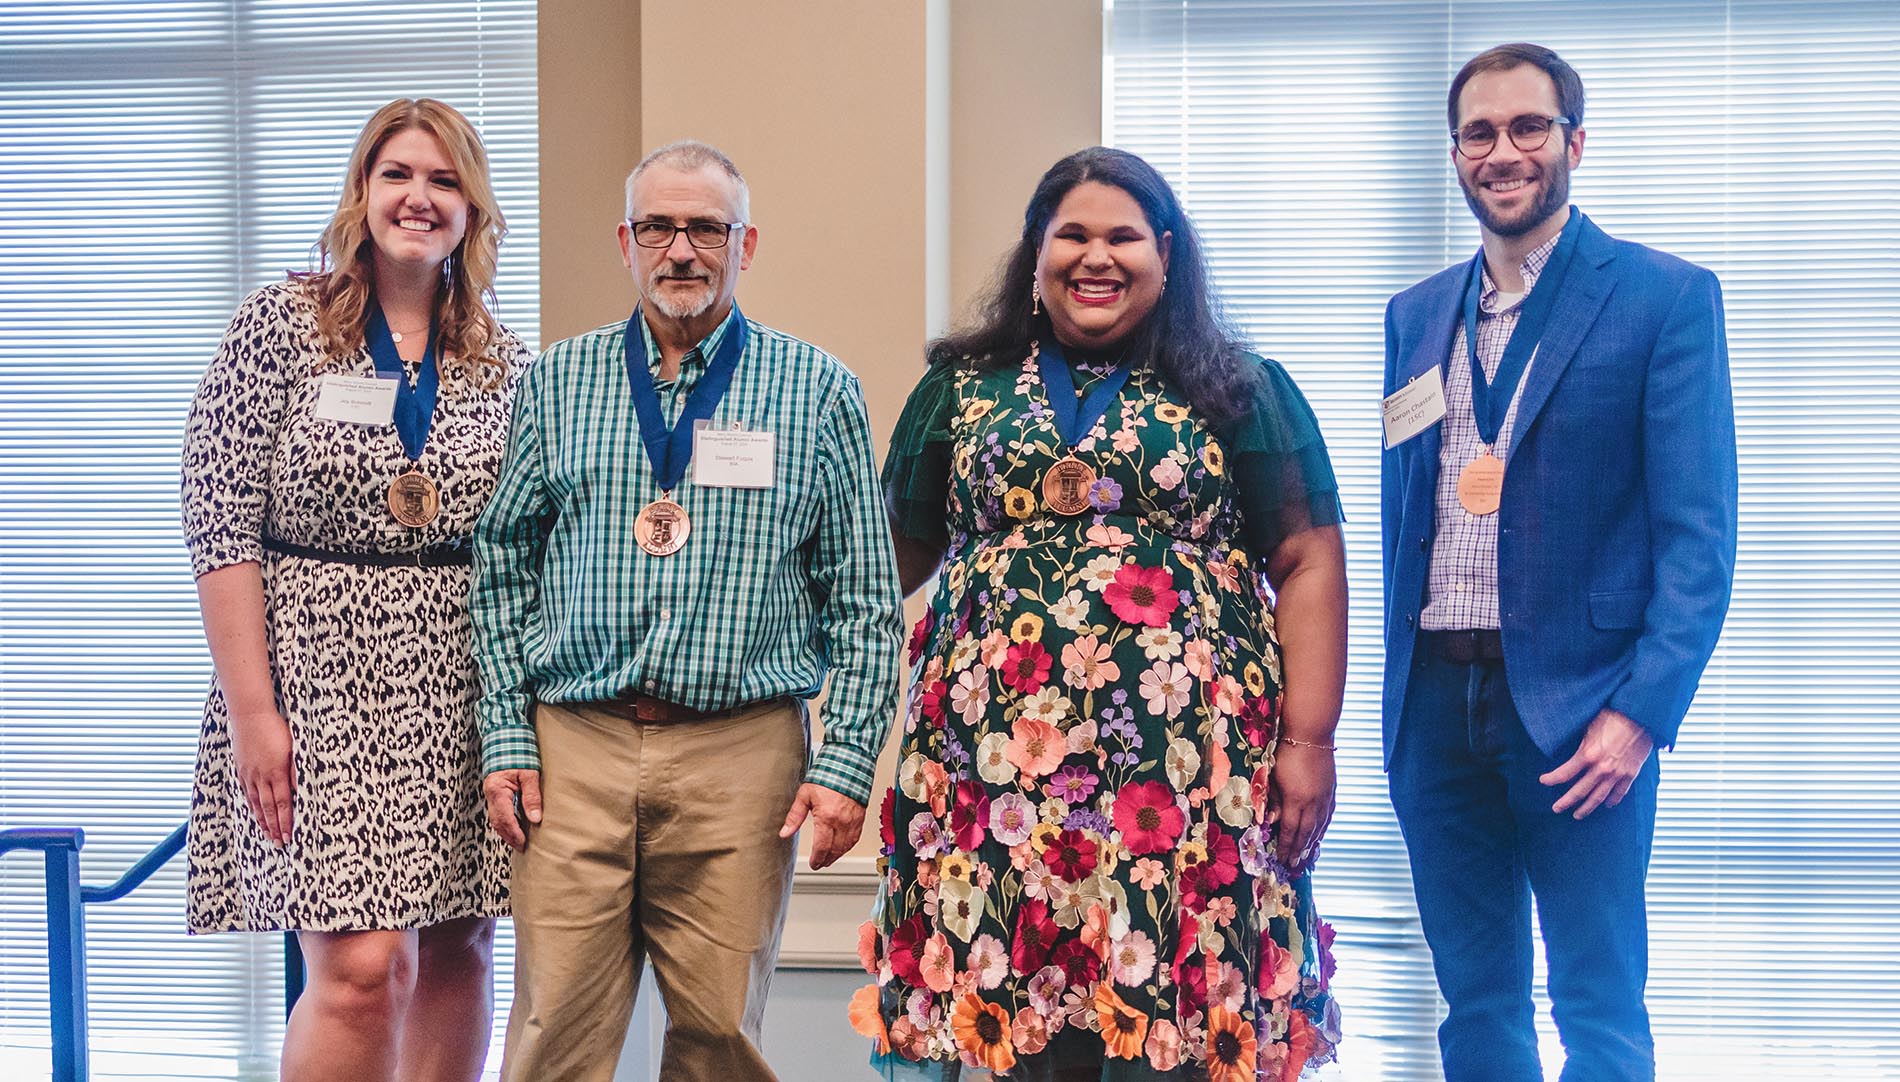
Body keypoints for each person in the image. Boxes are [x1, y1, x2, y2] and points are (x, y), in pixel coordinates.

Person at [857, 146, 1347, 1081]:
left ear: (1166, 256)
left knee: (1177, 1018)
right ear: (1035, 256)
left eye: (1123, 237)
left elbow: (1309, 557)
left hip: (1188, 779)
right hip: (987, 774)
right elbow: (890, 558)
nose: (1097, 256)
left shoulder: (1240, 389)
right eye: (1071, 234)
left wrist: (1309, 742)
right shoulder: (957, 390)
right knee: (1004, 1013)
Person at [471, 140, 903, 1082]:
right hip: (572, 749)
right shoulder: (557, 380)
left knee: (721, 1044)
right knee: (552, 1039)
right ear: (625, 241)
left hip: (741, 757)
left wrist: (844, 766)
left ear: (745, 245)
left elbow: (866, 603)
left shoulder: (817, 389)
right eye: (659, 226)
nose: (681, 248)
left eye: (706, 226)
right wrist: (506, 732)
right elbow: (501, 563)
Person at [1380, 44, 1738, 1082]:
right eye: (1479, 133)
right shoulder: (1415, 314)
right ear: (1454, 154)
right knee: (1475, 1001)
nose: (1503, 151)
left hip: (1585, 715)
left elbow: (1697, 541)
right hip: (1435, 712)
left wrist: (1640, 714)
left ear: (1574, 142)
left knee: (1597, 998)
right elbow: (1412, 513)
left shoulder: (1664, 298)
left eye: (1527, 127)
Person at [181, 98, 527, 1082]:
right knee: (362, 969)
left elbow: (531, 530)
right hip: (317, 681)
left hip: (463, 682)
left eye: (444, 179)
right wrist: (256, 710)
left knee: (462, 946)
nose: (419, 197)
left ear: (472, 207)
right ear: (362, 193)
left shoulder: (504, 360)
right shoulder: (282, 325)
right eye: (398, 175)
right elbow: (216, 513)